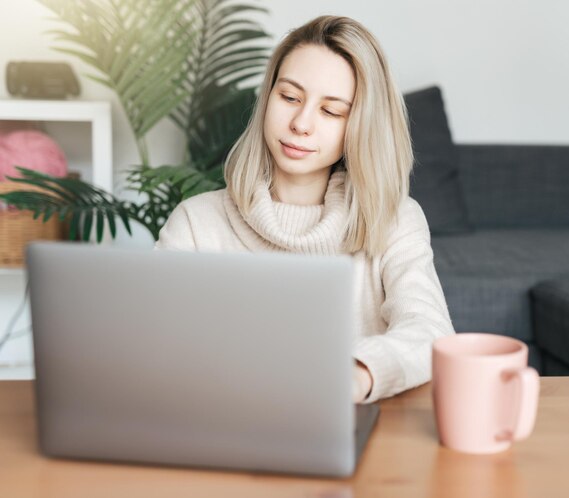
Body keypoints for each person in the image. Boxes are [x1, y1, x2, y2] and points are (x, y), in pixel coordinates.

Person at [155, 15, 456, 403]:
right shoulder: (196, 223)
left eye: (331, 111)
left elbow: (430, 330)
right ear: (268, 99)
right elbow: (155, 340)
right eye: (290, 97)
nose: (301, 123)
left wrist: (356, 374)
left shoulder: (394, 220)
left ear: (360, 127)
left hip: (347, 429)